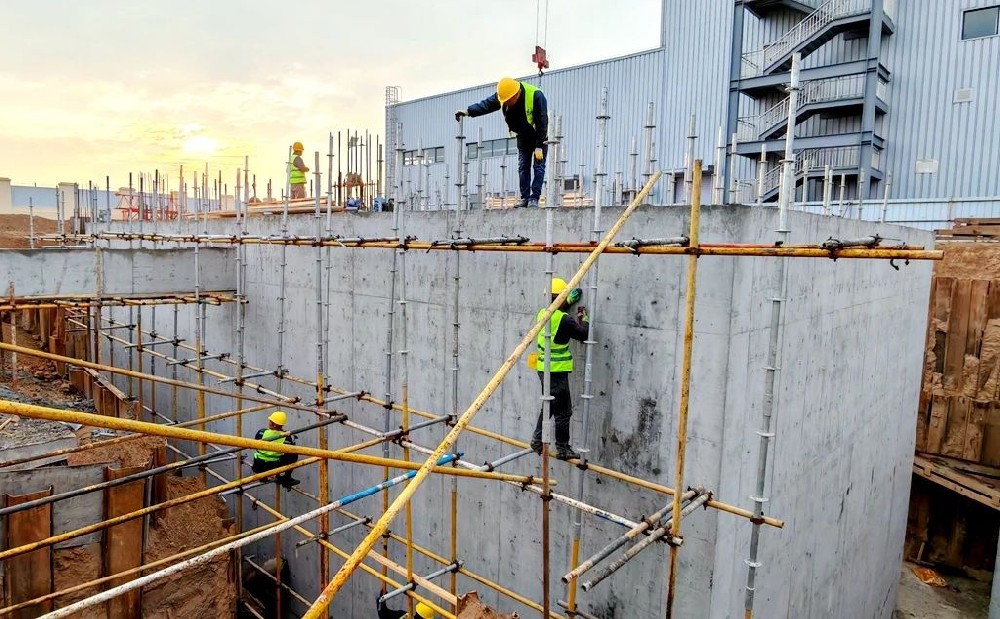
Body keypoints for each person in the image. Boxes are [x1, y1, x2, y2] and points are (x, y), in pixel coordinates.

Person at [455, 77, 548, 208]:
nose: (507, 103)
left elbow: (542, 121)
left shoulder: (536, 95)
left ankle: (534, 198)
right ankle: (525, 198)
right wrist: (468, 111)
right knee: (523, 166)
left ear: (516, 94)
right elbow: (487, 104)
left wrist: (539, 145)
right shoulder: (505, 95)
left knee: (538, 166)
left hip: (539, 135)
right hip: (523, 136)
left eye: (509, 100)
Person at [531, 277, 587, 460]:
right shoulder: (564, 320)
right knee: (563, 411)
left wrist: (566, 301)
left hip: (544, 368)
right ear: (561, 298)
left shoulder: (542, 313)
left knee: (549, 405)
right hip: (556, 371)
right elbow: (583, 334)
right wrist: (584, 320)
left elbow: (556, 311)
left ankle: (538, 439)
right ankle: (562, 448)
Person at [251, 411, 301, 488]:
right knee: (293, 453)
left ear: (273, 424)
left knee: (262, 452)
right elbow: (289, 454)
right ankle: (286, 478)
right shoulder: (286, 438)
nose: (269, 422)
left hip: (257, 466)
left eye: (270, 421)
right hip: (272, 467)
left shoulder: (261, 432)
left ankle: (263, 477)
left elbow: (256, 446)